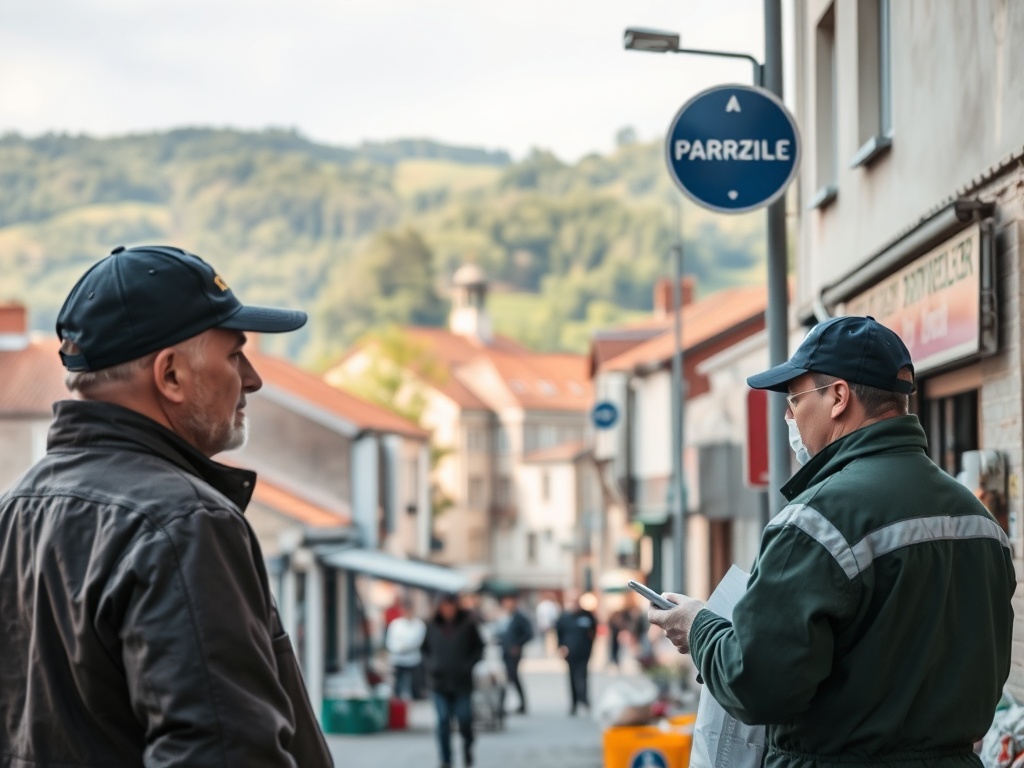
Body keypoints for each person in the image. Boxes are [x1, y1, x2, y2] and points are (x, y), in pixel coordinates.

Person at [0, 245, 333, 767]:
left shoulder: (14, 511)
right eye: (233, 354)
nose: (252, 378)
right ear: (171, 375)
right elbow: (223, 753)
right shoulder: (185, 524)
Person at [648, 315, 1016, 768]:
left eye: (795, 398)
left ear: (838, 397)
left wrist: (700, 626)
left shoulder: (813, 522)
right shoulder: (978, 520)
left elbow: (757, 687)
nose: (789, 415)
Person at [421, 593, 484, 768]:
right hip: (439, 682)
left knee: (465, 718)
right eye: (444, 605)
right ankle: (446, 759)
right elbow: (424, 650)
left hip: (462, 682)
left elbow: (479, 648)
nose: (448, 609)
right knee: (442, 721)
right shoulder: (432, 625)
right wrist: (431, 665)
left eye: (451, 605)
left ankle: (467, 746)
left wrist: (468, 665)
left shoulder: (468, 625)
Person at [555, 591, 597, 715]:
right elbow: (559, 634)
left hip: (584, 652)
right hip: (570, 653)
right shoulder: (564, 617)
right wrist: (561, 647)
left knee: (583, 676)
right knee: (572, 678)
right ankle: (574, 703)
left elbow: (593, 632)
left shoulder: (587, 615)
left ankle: (584, 699)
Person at [498, 592, 535, 714]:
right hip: (505, 651)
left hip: (514, 653)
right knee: (509, 678)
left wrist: (518, 645)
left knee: (512, 677)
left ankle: (510, 704)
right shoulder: (506, 616)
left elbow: (529, 634)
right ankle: (504, 704)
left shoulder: (520, 617)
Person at [385, 600, 427, 700]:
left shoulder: (419, 625)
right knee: (398, 683)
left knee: (414, 684)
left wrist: (404, 647)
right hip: (398, 659)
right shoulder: (396, 624)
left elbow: (417, 641)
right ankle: (398, 700)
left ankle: (415, 698)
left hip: (413, 659)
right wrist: (399, 648)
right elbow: (391, 641)